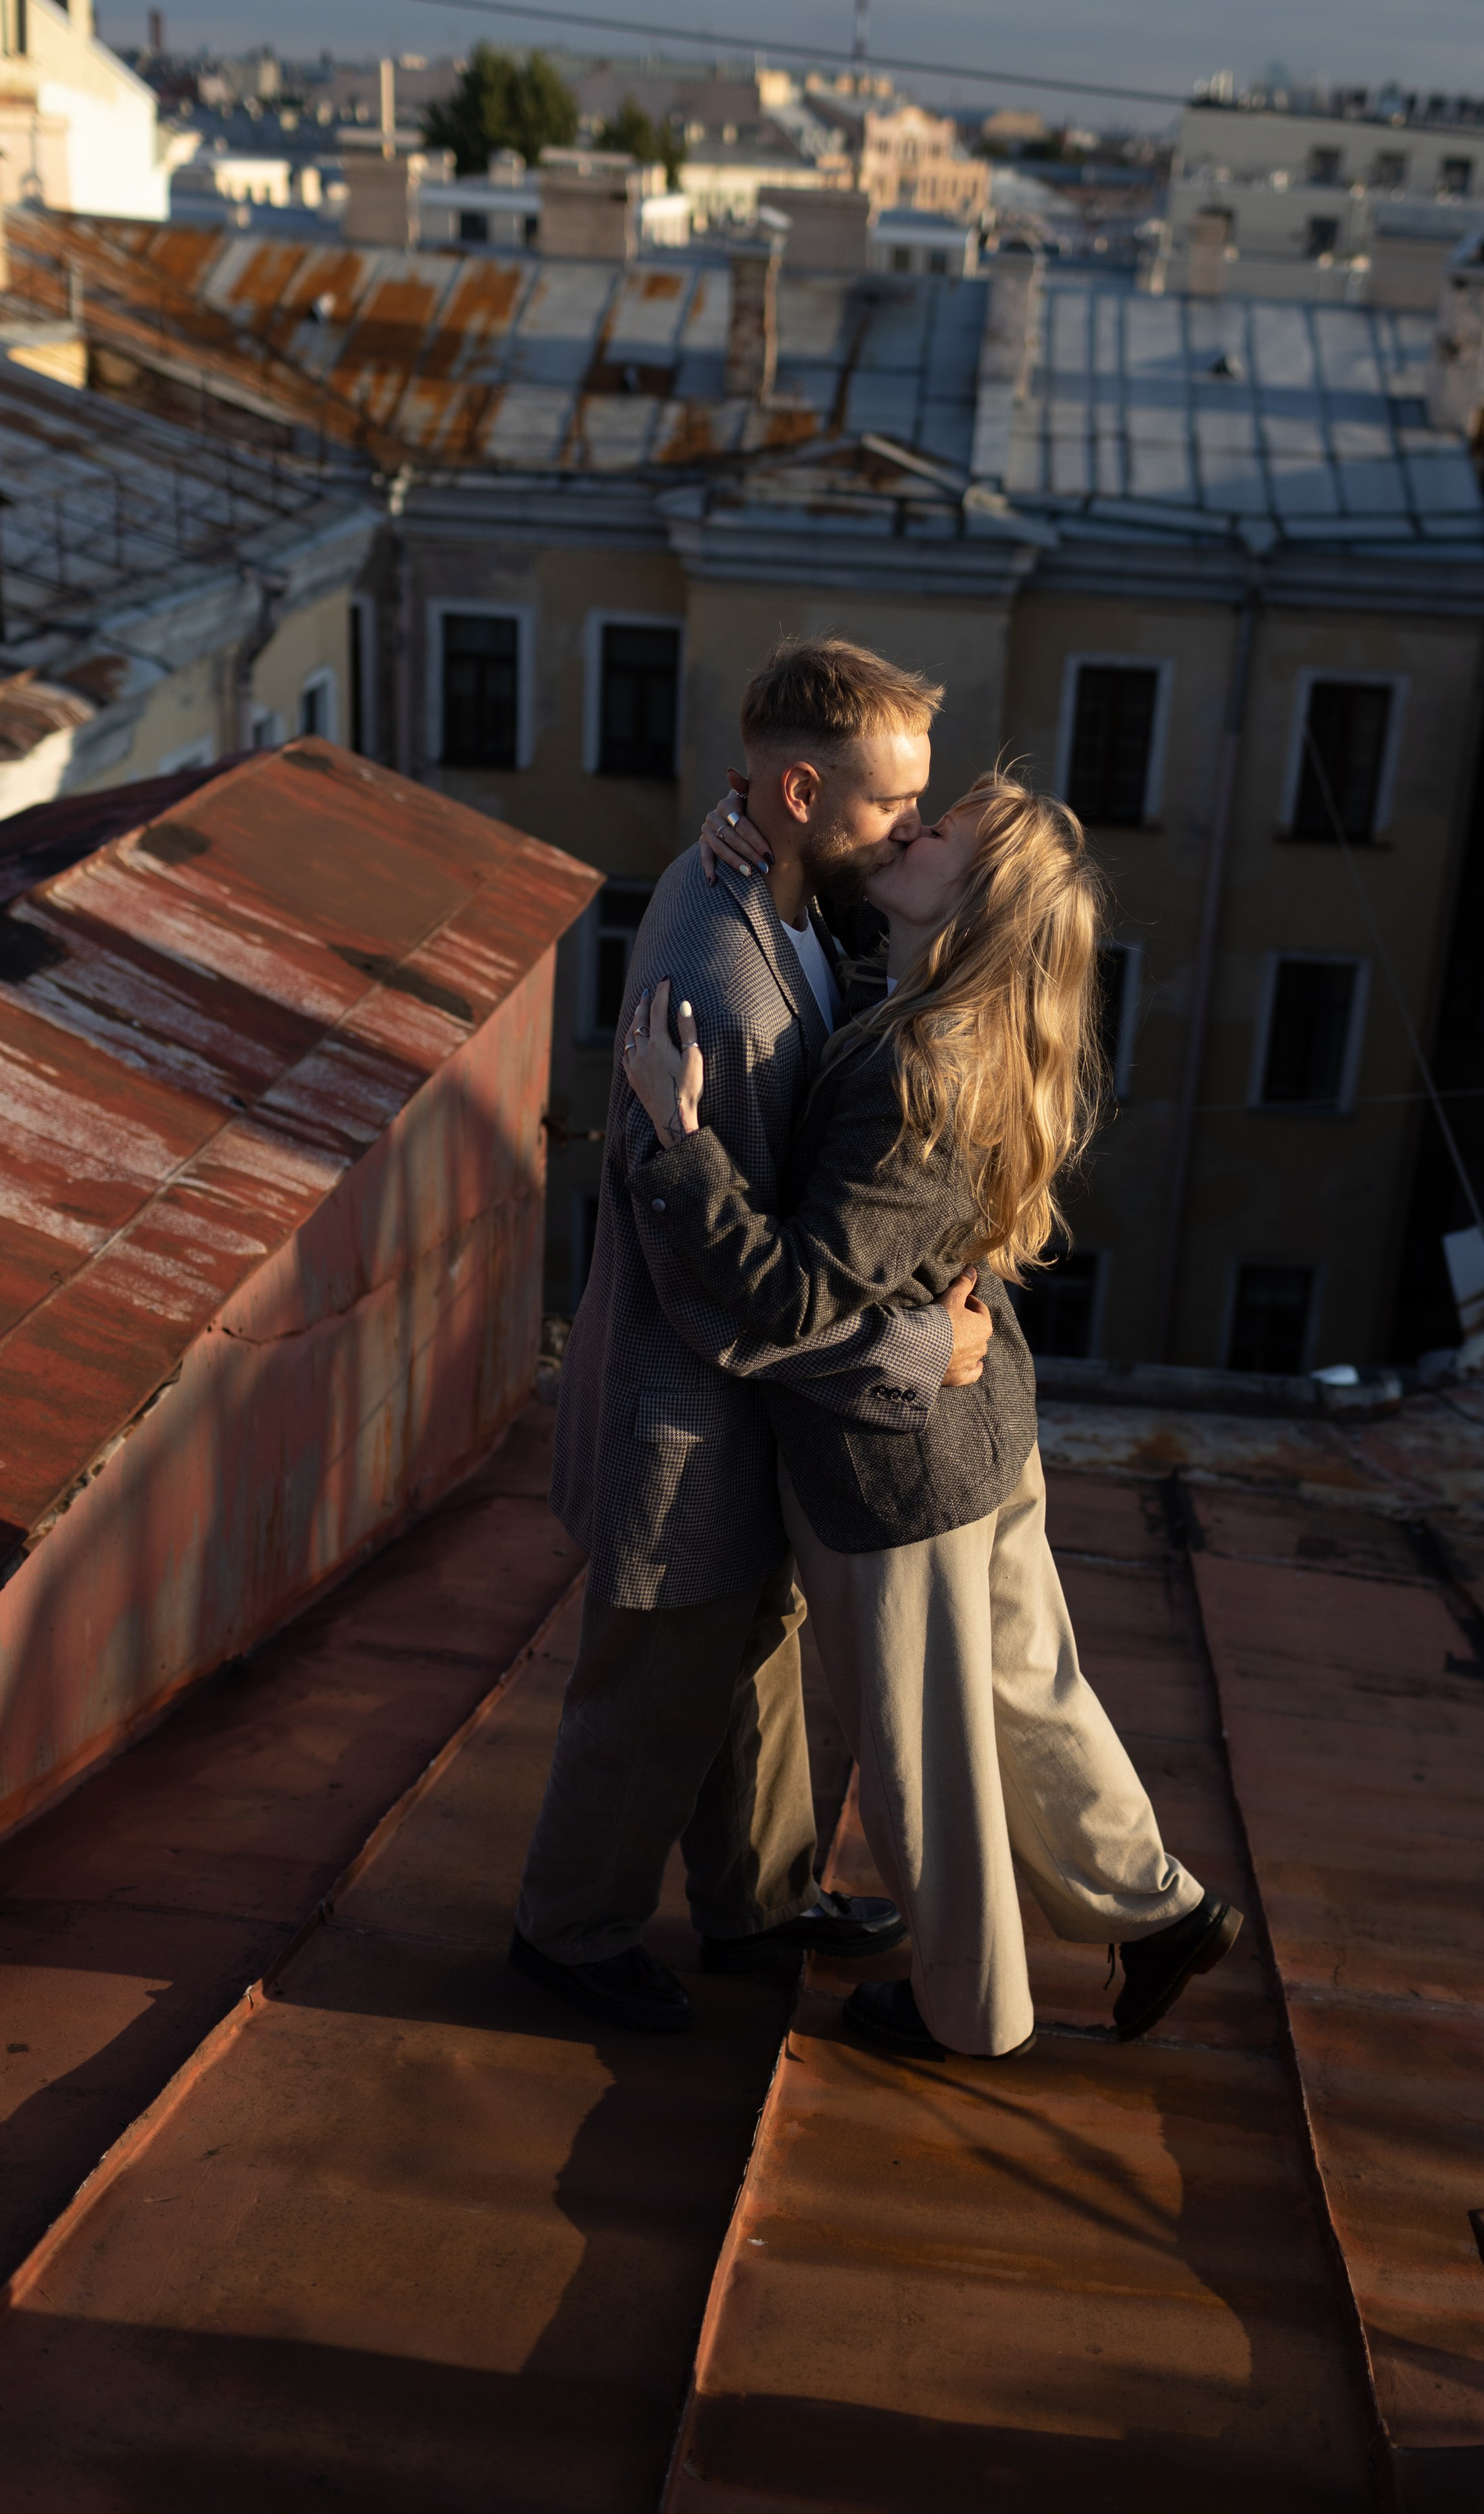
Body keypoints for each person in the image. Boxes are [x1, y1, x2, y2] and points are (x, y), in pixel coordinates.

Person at [622, 772, 1241, 2063]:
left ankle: (973, 2013)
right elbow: (833, 955)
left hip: (893, 1471)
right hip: (979, 1432)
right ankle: (1160, 1911)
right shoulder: (947, 1016)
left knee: (927, 1760)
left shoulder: (918, 1071)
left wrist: (680, 1143)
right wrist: (742, 839)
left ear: (972, 903)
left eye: (935, 833)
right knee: (1028, 1695)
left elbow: (793, 1295)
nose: (904, 832)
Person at [513, 641, 995, 2034]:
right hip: (686, 1421)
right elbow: (718, 1289)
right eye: (886, 805)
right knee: (650, 1695)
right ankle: (567, 1933)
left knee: (754, 1673)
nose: (909, 829)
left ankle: (760, 1901)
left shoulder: (753, 872)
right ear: (794, 790)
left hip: (743, 1426)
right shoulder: (716, 985)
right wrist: (923, 1357)